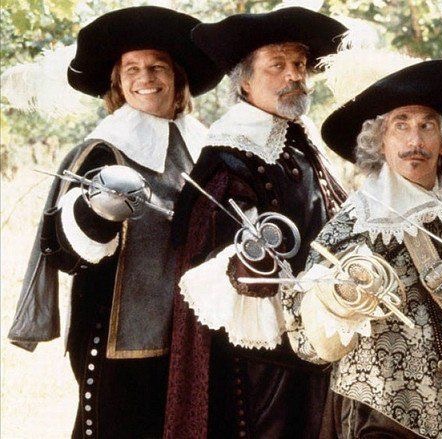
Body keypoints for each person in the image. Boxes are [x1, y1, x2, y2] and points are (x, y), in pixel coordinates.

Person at [283, 59, 442, 439]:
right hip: (382, 414)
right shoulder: (356, 222)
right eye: (400, 125)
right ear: (380, 142)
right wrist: (337, 300)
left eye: (427, 126)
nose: (414, 142)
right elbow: (306, 338)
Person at [6, 6, 222, 439]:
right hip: (120, 340)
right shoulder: (103, 150)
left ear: (177, 77)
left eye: (157, 67)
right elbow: (65, 252)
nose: (146, 78)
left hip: (194, 334)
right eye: (132, 69)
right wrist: (98, 213)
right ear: (118, 83)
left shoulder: (204, 145)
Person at [164, 7, 349, 438]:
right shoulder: (228, 156)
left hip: (315, 335)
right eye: (277, 65)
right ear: (245, 82)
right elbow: (209, 263)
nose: (294, 75)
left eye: (299, 64)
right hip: (255, 358)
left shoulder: (299, 139)